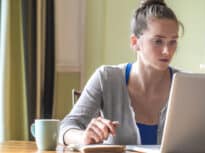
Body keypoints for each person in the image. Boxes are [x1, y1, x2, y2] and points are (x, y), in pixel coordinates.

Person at [59, 0, 183, 145]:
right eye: (158, 41)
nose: (167, 51)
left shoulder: (186, 85)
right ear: (135, 42)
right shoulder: (106, 78)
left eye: (172, 41)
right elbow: (66, 126)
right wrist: (83, 136)